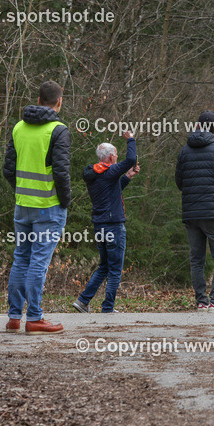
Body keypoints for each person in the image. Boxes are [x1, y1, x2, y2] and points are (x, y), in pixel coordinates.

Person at [3, 80, 71, 334]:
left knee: (21, 258)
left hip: (23, 205)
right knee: (38, 263)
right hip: (49, 206)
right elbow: (62, 173)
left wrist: (22, 190)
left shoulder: (19, 127)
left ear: (39, 99)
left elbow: (8, 170)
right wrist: (65, 200)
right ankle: (34, 318)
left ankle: (13, 317)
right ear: (59, 102)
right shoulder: (58, 130)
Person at [176, 111, 214, 312]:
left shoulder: (185, 150)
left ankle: (201, 302)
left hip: (191, 213)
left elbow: (179, 182)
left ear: (197, 126)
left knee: (197, 260)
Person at [73, 131, 139, 314]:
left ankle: (83, 301)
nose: (117, 157)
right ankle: (108, 307)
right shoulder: (110, 171)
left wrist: (128, 177)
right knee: (115, 268)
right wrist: (131, 139)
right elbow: (131, 158)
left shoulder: (95, 173)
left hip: (100, 226)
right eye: (116, 154)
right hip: (113, 226)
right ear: (111, 157)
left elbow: (111, 191)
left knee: (105, 266)